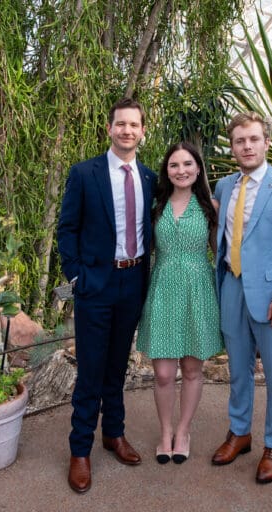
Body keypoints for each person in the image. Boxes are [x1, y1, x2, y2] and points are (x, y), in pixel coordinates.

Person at [56, 97, 157, 494]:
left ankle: (114, 434)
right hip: (95, 284)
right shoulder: (85, 173)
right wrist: (76, 275)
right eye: (121, 124)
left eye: (134, 125)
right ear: (110, 128)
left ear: (142, 131)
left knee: (117, 366)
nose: (127, 130)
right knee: (91, 370)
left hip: (133, 282)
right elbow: (67, 229)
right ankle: (80, 450)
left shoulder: (149, 178)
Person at [211, 111, 272, 483]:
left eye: (253, 139)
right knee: (238, 371)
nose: (247, 146)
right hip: (232, 288)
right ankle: (240, 433)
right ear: (232, 147)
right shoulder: (224, 187)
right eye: (240, 141)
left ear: (266, 143)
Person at [136, 142, 223, 465]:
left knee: (191, 369)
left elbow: (220, 252)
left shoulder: (210, 206)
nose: (181, 170)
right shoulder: (155, 205)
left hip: (198, 291)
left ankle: (183, 432)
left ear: (198, 169)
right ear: (167, 171)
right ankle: (165, 432)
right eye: (174, 165)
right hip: (163, 291)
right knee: (162, 373)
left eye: (188, 164)